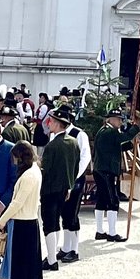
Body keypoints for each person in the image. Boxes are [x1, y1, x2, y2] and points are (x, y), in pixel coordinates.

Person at [0, 140, 43, 279]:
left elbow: (17, 202)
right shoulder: (34, 171)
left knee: (19, 270)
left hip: (23, 224)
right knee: (19, 270)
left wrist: (2, 220)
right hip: (25, 223)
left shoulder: (29, 175)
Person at [39, 109, 83, 267]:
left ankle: (51, 260)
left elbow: (45, 170)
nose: (49, 124)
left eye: (51, 121)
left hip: (50, 189)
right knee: (57, 222)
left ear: (57, 124)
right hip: (65, 189)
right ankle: (53, 257)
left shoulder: (52, 146)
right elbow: (75, 167)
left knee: (49, 224)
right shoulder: (73, 142)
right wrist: (70, 185)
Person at [90, 108, 134, 242]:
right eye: (118, 119)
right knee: (113, 200)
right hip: (105, 170)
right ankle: (112, 233)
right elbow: (123, 138)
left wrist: (130, 145)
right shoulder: (110, 131)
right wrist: (135, 128)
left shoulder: (105, 131)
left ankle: (100, 231)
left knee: (102, 200)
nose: (120, 122)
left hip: (102, 169)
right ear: (110, 119)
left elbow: (115, 146)